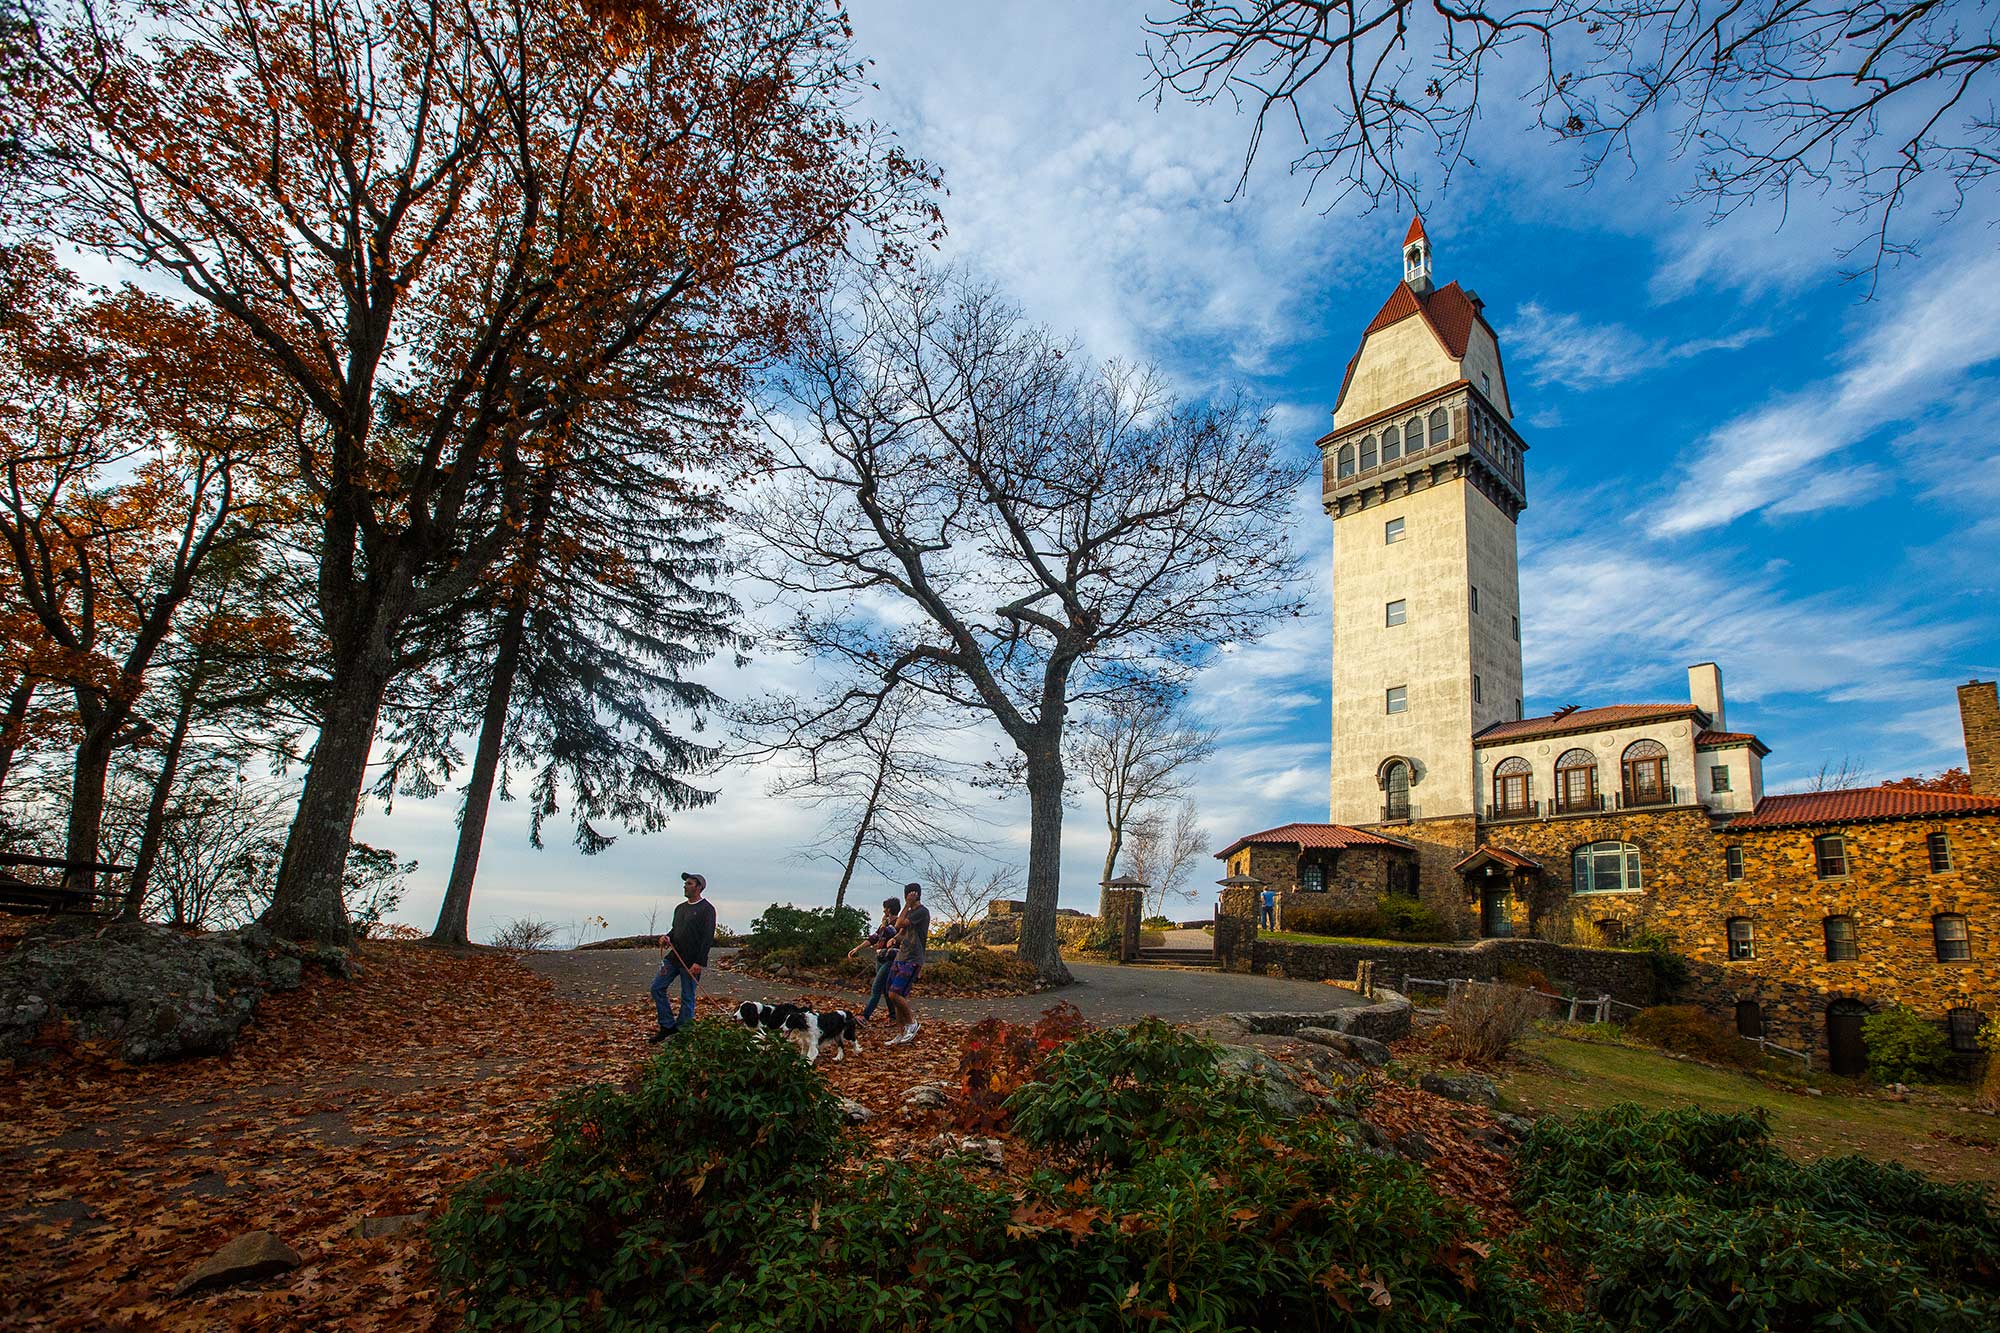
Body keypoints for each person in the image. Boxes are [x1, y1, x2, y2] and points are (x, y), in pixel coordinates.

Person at [649, 872, 716, 1042]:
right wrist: (667, 937)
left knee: (687, 996)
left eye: (689, 883)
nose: (685, 886)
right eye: (685, 883)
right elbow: (675, 931)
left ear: (699, 887)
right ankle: (667, 1026)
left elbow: (707, 938)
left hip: (691, 961)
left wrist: (699, 962)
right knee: (657, 987)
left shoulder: (707, 909)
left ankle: (683, 1031)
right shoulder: (680, 908)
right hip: (673, 958)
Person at [884, 881, 930, 1046]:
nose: (906, 898)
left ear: (914, 895)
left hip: (912, 959)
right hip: (901, 957)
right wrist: (894, 939)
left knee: (895, 993)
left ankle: (912, 1023)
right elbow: (902, 932)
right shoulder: (910, 912)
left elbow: (899, 923)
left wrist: (907, 905)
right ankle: (901, 1032)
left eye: (908, 895)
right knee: (893, 995)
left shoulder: (922, 912)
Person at [847, 896, 903, 1023]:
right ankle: (893, 1015)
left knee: (876, 988)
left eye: (885, 909)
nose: (883, 911)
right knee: (885, 989)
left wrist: (884, 925)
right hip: (880, 958)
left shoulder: (899, 923)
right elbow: (874, 938)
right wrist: (858, 948)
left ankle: (865, 1016)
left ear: (889, 909)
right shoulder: (885, 925)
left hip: (890, 960)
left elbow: (892, 934)